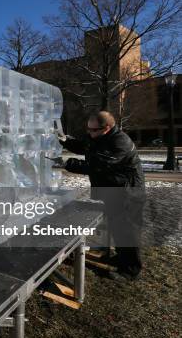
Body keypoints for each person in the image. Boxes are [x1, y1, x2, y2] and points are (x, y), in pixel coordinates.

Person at [60, 111, 145, 280]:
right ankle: (122, 257)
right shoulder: (99, 137)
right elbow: (83, 145)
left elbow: (96, 165)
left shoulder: (121, 142)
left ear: (106, 128)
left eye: (93, 130)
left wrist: (65, 163)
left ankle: (130, 270)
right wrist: (64, 140)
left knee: (127, 230)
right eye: (88, 130)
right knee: (116, 226)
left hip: (127, 193)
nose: (89, 133)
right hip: (112, 190)